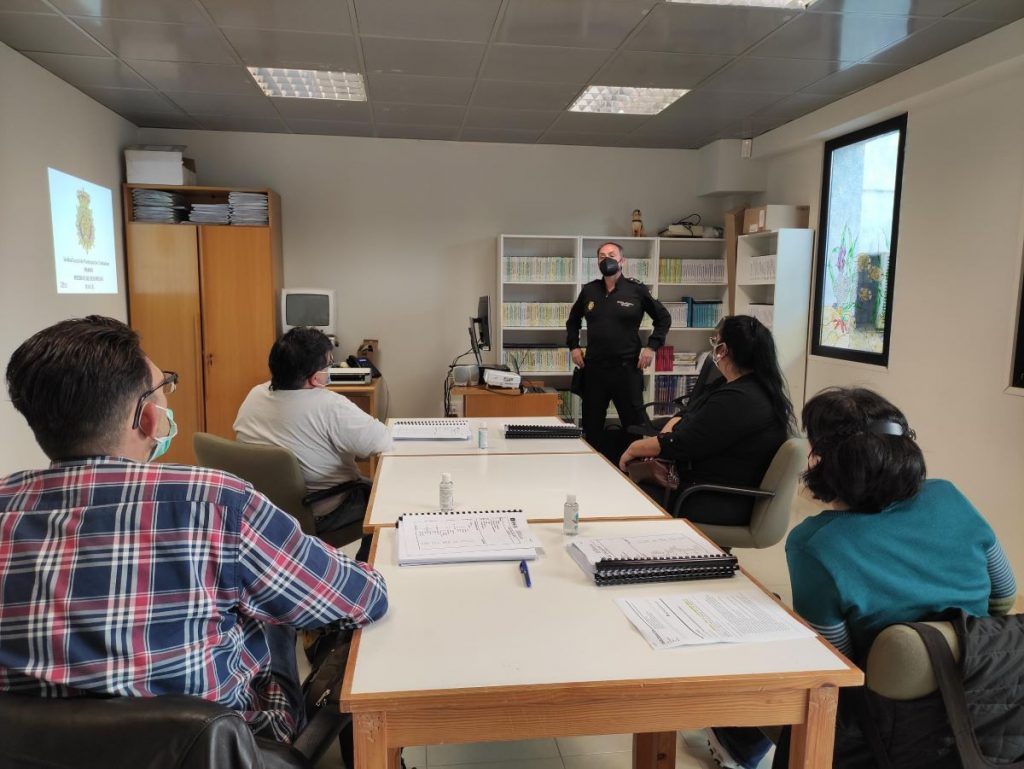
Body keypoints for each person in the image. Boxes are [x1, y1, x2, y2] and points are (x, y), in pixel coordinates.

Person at [0, 316, 388, 746]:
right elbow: (362, 598)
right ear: (149, 418)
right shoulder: (215, 503)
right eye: (164, 387)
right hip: (220, 748)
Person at [707, 387, 1018, 769]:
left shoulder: (815, 544)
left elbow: (836, 663)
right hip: (981, 703)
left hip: (877, 726)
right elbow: (1004, 596)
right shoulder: (948, 496)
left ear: (824, 461)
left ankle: (736, 746)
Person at [618, 315, 794, 524]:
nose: (713, 347)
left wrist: (634, 449)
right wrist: (671, 430)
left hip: (715, 498)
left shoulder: (738, 400)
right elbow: (689, 412)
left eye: (715, 341)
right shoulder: (741, 387)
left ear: (724, 349)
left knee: (629, 495)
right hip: (712, 487)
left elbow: (683, 444)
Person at [234, 326, 392, 550]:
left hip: (263, 511)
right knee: (384, 499)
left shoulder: (254, 395)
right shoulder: (329, 405)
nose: (330, 369)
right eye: (328, 364)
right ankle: (365, 573)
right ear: (314, 378)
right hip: (321, 510)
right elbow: (383, 442)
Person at [566, 241, 671, 453]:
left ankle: (630, 472)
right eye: (602, 256)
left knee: (632, 425)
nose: (607, 259)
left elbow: (664, 318)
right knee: (592, 425)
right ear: (597, 261)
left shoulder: (637, 290)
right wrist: (574, 347)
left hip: (626, 369)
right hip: (594, 369)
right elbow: (573, 321)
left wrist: (651, 347)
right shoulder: (589, 291)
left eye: (612, 255)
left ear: (622, 260)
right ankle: (591, 470)